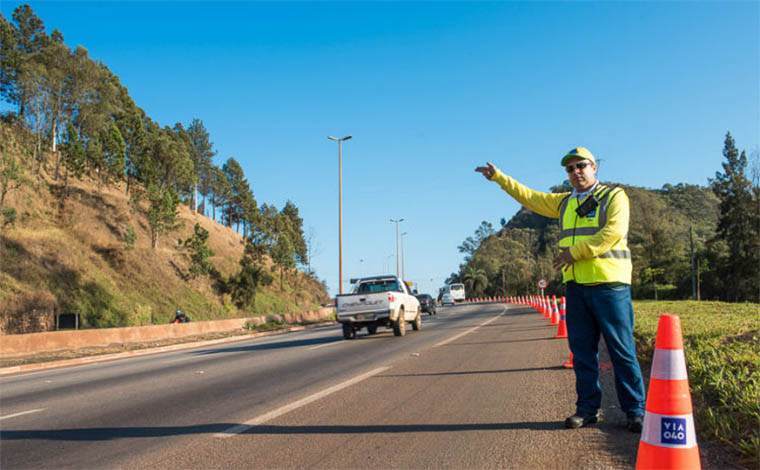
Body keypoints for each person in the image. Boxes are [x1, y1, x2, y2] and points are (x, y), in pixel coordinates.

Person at [475, 147, 646, 433]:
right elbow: (530, 197)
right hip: (576, 286)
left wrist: (575, 252)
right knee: (581, 352)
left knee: (621, 350)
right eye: (570, 169)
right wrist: (500, 178)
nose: (576, 172)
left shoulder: (613, 197)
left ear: (594, 167)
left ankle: (635, 411)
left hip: (610, 285)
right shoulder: (564, 203)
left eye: (581, 166)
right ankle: (588, 409)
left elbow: (613, 232)